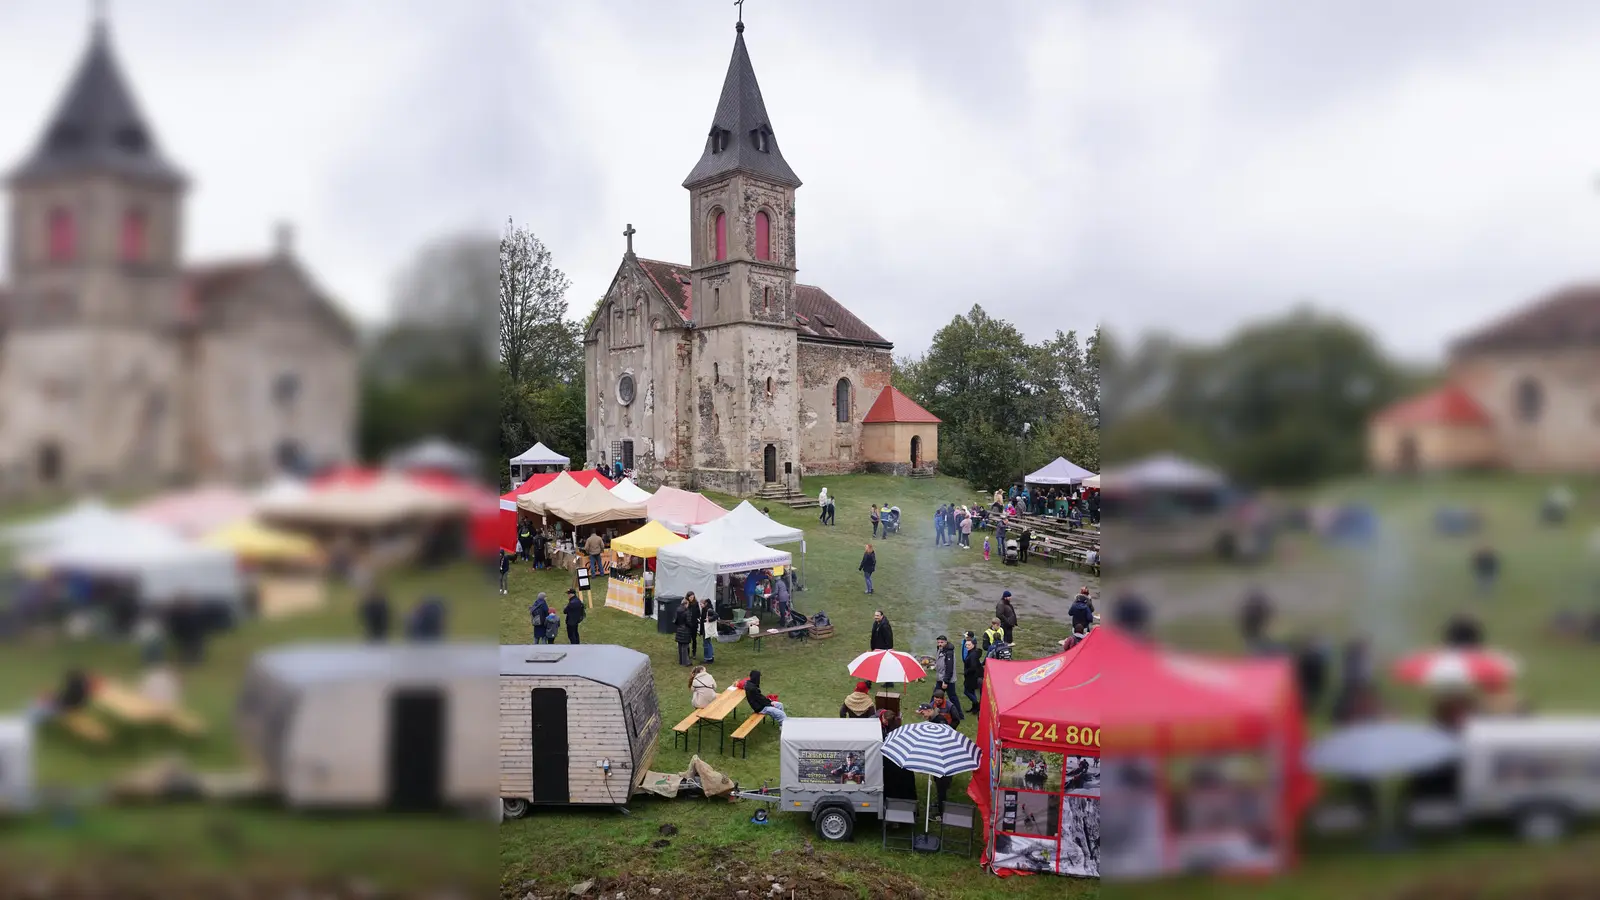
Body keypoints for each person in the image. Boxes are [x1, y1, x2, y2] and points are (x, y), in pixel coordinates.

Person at [961, 636, 984, 714]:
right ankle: (974, 708)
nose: (967, 646)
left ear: (973, 645)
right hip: (973, 675)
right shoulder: (972, 652)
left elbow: (973, 666)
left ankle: (977, 705)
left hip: (972, 676)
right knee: (971, 691)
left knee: (966, 691)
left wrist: (966, 672)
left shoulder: (973, 654)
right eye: (966, 645)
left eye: (969, 645)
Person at [673, 595, 697, 666]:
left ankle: (681, 661)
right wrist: (692, 626)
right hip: (685, 630)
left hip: (679, 629)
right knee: (685, 646)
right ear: (686, 604)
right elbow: (688, 622)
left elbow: (675, 620)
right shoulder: (687, 611)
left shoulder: (677, 610)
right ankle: (685, 662)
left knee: (680, 646)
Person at [933, 635, 957, 700]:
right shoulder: (940, 649)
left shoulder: (949, 653)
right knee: (935, 695)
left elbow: (949, 668)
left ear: (946, 642)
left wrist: (946, 681)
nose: (939, 644)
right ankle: (930, 709)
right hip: (940, 678)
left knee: (952, 697)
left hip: (947, 680)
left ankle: (958, 710)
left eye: (941, 642)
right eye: (938, 642)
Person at [698, 593, 718, 663]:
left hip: (706, 629)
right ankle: (710, 656)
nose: (700, 606)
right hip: (705, 629)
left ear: (705, 604)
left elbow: (716, 615)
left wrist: (709, 619)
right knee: (708, 643)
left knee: (706, 643)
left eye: (701, 604)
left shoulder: (708, 610)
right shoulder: (705, 609)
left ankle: (708, 658)